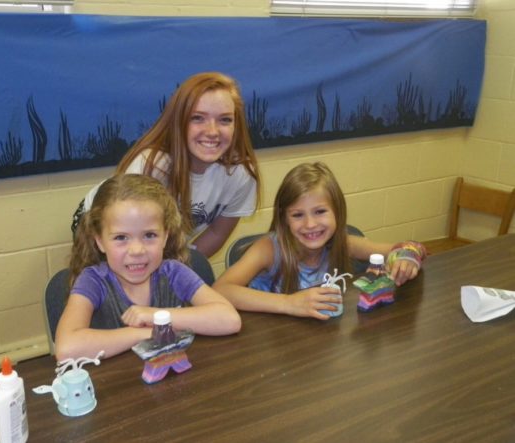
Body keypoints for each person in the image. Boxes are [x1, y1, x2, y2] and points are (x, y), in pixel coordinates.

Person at [71, 71, 261, 258]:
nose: (212, 131)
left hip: (157, 238)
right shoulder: (153, 166)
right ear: (179, 121)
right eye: (197, 118)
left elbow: (217, 234)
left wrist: (180, 267)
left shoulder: (241, 173)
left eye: (225, 120)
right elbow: (126, 240)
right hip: (107, 225)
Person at [56, 174, 242, 361]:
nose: (137, 250)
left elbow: (229, 320)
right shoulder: (93, 281)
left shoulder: (173, 272)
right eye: (121, 237)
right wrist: (150, 332)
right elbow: (66, 348)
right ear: (100, 242)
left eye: (150, 235)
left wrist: (157, 316)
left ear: (165, 237)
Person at [213, 162, 426, 320]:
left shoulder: (341, 242)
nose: (310, 224)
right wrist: (288, 303)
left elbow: (405, 248)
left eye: (320, 211)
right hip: (277, 346)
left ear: (337, 212)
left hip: (324, 344)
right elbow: (220, 290)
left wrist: (406, 258)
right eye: (297, 215)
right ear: (284, 218)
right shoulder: (269, 249)